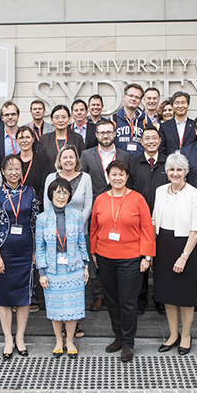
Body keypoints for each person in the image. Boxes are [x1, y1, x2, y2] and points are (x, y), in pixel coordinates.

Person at [89, 160, 155, 362]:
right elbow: (94, 227)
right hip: (105, 257)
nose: (117, 178)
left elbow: (147, 228)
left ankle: (128, 342)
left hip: (130, 258)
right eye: (113, 174)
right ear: (108, 177)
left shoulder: (137, 199)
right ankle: (118, 336)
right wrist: (93, 252)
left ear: (127, 177)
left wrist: (147, 256)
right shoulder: (100, 199)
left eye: (121, 174)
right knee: (113, 300)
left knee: (127, 301)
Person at [0, 155, 40, 359]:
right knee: (4, 296)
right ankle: (8, 338)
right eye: (9, 169)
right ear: (2, 171)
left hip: (26, 251)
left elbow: (35, 223)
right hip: (4, 251)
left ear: (22, 171)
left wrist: (36, 252)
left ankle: (20, 338)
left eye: (17, 168)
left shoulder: (30, 192)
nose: (13, 172)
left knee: (24, 296)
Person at [152, 153, 197, 355]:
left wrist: (184, 256)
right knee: (168, 294)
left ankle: (187, 335)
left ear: (186, 172)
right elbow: (154, 220)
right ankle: (173, 335)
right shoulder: (160, 191)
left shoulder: (195, 194)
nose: (175, 173)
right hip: (163, 246)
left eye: (179, 169)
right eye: (171, 169)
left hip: (185, 247)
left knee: (185, 295)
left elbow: (196, 228)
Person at [80, 118, 131, 312]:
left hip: (120, 209)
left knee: (116, 248)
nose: (105, 136)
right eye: (101, 132)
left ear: (115, 133)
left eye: (109, 132)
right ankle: (99, 294)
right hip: (96, 208)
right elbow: (84, 182)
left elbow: (129, 181)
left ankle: (115, 293)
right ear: (96, 135)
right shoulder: (86, 155)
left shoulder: (125, 155)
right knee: (96, 249)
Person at [36, 178, 90, 358]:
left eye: (65, 192)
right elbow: (40, 247)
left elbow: (82, 242)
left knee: (73, 308)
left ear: (70, 195)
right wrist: (41, 272)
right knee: (55, 307)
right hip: (52, 269)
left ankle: (70, 341)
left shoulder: (76, 215)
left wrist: (85, 266)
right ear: (51, 195)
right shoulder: (42, 218)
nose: (61, 196)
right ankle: (59, 340)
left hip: (74, 267)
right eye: (57, 192)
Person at [41, 144, 92, 322]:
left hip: (78, 233)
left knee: (73, 288)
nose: (68, 160)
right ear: (59, 160)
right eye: (65, 157)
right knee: (57, 287)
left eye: (72, 157)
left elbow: (88, 205)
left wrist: (75, 224)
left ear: (76, 160)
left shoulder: (85, 178)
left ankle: (73, 324)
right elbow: (47, 205)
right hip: (53, 236)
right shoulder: (50, 178)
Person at [128, 126, 168, 314]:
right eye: (147, 138)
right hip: (139, 221)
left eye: (154, 138)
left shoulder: (168, 164)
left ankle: (161, 300)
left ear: (160, 141)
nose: (151, 141)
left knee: (161, 262)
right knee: (141, 263)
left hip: (165, 220)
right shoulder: (134, 163)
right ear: (141, 142)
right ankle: (140, 301)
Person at [40, 105, 85, 173]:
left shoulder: (77, 138)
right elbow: (41, 163)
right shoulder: (44, 139)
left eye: (64, 117)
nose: (60, 120)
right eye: (57, 117)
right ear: (52, 120)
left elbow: (82, 161)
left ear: (69, 119)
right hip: (51, 179)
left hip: (72, 178)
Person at [112, 83, 149, 158]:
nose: (133, 99)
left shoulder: (146, 120)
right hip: (119, 162)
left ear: (140, 101)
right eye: (130, 96)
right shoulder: (113, 119)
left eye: (137, 97)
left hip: (140, 162)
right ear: (124, 97)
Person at [17, 126, 49, 208]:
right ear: (16, 140)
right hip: (15, 204)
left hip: (36, 205)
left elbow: (44, 183)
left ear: (33, 139)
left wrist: (37, 200)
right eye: (21, 138)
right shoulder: (12, 161)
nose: (24, 141)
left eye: (27, 137)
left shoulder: (43, 161)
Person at [0, 101, 21, 165]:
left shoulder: (26, 136)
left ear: (18, 116)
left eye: (13, 114)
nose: (10, 117)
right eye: (6, 115)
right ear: (2, 118)